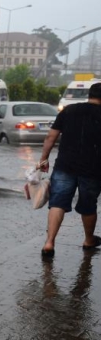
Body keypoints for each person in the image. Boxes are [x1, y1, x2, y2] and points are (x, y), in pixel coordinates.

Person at [39, 81, 101, 257]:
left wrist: (43, 159)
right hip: (93, 169)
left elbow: (51, 136)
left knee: (57, 202)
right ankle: (89, 240)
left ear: (89, 95)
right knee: (88, 205)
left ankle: (49, 243)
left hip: (65, 165)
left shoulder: (69, 110)